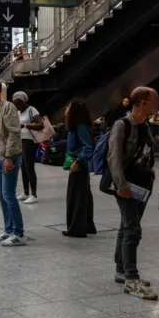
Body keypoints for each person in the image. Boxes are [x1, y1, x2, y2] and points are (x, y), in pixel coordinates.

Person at [108, 87, 159, 300]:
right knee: (133, 230)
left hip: (142, 185)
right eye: (156, 99)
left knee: (126, 225)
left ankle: (121, 269)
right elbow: (114, 158)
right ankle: (131, 279)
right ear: (143, 102)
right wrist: (121, 186)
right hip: (127, 186)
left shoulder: (146, 125)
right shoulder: (122, 125)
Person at [0, 78, 26, 246]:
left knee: (9, 195)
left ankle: (19, 233)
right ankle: (8, 230)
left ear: (0, 90)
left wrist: (8, 157)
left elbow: (14, 133)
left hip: (9, 157)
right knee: (2, 196)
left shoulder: (8, 107)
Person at [63, 100, 96, 238]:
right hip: (80, 165)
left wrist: (78, 161)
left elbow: (88, 147)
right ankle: (87, 225)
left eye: (69, 107)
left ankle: (77, 228)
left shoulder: (79, 126)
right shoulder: (78, 126)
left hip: (79, 165)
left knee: (76, 197)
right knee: (84, 195)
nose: (66, 109)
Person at [12, 91, 43, 204]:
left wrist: (25, 125)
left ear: (23, 100)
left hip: (30, 141)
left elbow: (41, 125)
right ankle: (25, 192)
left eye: (18, 102)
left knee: (29, 167)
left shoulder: (32, 110)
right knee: (23, 167)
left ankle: (34, 194)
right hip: (21, 141)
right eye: (15, 102)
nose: (16, 105)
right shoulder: (19, 112)